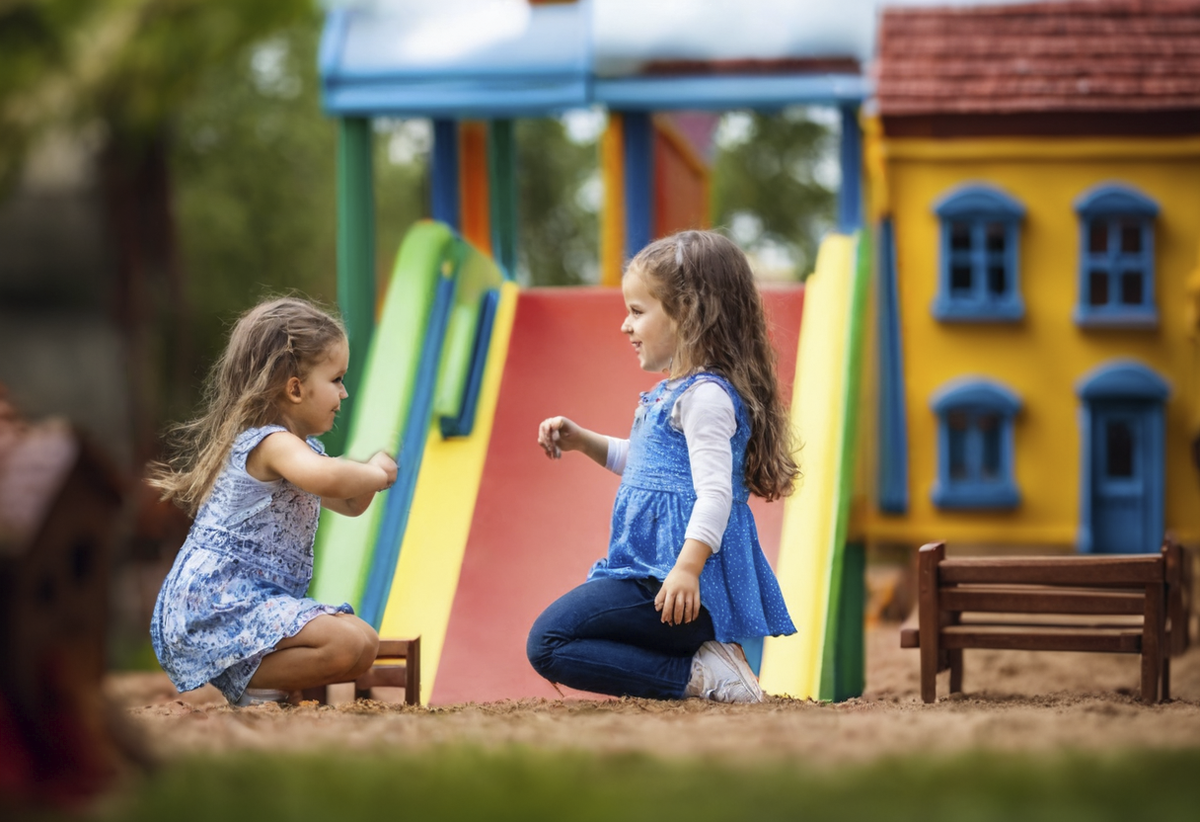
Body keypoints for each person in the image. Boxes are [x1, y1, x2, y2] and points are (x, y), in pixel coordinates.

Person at [528, 230, 798, 703]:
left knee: (549, 643)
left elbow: (714, 493)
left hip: (680, 584)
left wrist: (687, 570)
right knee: (561, 637)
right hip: (652, 572)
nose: (624, 326)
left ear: (688, 315)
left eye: (636, 312)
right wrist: (582, 440)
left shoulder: (706, 398)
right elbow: (651, 468)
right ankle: (703, 665)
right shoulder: (675, 393)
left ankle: (705, 675)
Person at [149, 296, 397, 707]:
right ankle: (250, 690)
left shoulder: (301, 451)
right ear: (296, 388)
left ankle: (260, 688)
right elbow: (329, 477)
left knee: (362, 642)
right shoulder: (272, 445)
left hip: (253, 601)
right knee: (347, 644)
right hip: (218, 601)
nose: (345, 392)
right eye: (336, 379)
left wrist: (373, 477)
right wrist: (372, 470)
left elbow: (351, 503)